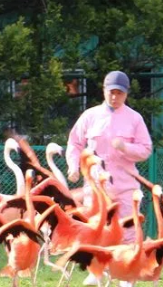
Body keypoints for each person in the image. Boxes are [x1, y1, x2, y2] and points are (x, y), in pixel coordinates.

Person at [64, 70, 152, 242]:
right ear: (104, 90)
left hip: (125, 188)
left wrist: (125, 147)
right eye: (112, 92)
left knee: (129, 236)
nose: (115, 97)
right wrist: (73, 166)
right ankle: (98, 269)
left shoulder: (135, 119)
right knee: (96, 234)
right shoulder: (90, 116)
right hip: (96, 187)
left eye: (120, 93)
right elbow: (74, 143)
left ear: (126, 93)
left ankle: (126, 268)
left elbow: (146, 149)